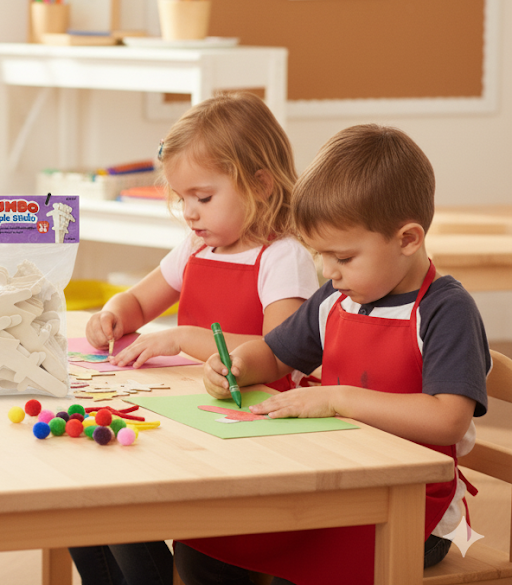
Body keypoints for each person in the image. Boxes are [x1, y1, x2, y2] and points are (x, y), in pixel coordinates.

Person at [177, 124, 492, 585]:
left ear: (408, 239)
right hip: (340, 482)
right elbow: (276, 354)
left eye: (343, 258)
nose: (329, 272)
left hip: (415, 508)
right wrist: (237, 366)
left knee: (290, 556)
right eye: (322, 256)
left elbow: (448, 420)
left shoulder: (446, 310)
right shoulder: (335, 298)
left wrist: (336, 398)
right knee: (207, 541)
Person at [72, 92, 319, 585]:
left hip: (255, 429)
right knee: (86, 495)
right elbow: (140, 301)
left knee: (131, 510)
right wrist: (113, 314)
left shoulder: (281, 256)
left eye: (202, 198)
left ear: (261, 186)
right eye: (182, 199)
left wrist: (184, 338)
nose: (189, 212)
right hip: (191, 414)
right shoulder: (196, 245)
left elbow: (280, 349)